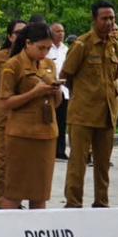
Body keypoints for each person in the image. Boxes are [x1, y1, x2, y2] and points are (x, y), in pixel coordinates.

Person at [60, 0, 118, 208]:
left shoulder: (114, 45)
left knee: (103, 164)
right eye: (104, 18)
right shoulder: (82, 44)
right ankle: (73, 203)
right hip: (83, 114)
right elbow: (65, 75)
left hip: (107, 114)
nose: (109, 22)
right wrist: (82, 95)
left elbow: (117, 74)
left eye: (112, 18)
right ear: (94, 19)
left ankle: (101, 203)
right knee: (78, 163)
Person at [0, 22, 61, 209]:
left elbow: (56, 104)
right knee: (14, 190)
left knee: (40, 191)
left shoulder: (49, 64)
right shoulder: (12, 65)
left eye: (48, 48)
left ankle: (37, 225)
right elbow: (5, 103)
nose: (44, 53)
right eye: (41, 48)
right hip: (22, 135)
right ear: (27, 43)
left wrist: (55, 90)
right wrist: (34, 93)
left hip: (47, 132)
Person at [0, 19, 26, 209]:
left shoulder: (31, 58)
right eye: (17, 33)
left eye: (25, 32)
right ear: (10, 36)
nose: (21, 36)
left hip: (23, 116)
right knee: (1, 159)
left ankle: (14, 200)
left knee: (19, 160)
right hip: (1, 115)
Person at [49, 22, 70, 159]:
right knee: (50, 120)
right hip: (50, 89)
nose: (61, 33)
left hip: (64, 90)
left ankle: (60, 150)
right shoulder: (46, 49)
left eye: (62, 31)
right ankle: (50, 148)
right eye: (57, 31)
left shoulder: (66, 49)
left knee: (62, 122)